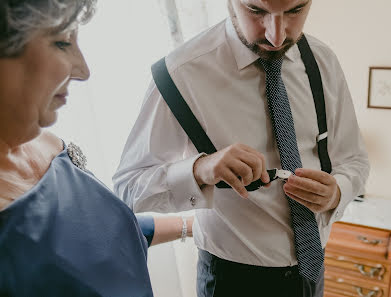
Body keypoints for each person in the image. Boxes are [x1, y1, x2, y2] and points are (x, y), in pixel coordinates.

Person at [113, 0, 370, 296]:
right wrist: (200, 170)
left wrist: (337, 192)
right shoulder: (180, 73)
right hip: (230, 282)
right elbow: (127, 189)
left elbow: (354, 159)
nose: (276, 36)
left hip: (313, 272)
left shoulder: (323, 62)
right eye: (257, 11)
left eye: (295, 11)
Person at [0, 1, 193, 296]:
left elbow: (97, 241)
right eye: (62, 42)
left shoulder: (51, 146)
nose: (83, 70)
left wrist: (191, 224)